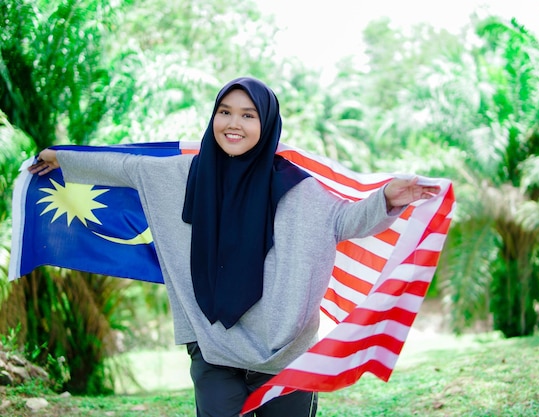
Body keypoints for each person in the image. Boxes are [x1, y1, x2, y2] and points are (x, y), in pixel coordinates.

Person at [28, 77, 441, 417]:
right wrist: (61, 158)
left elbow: (347, 221)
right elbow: (123, 166)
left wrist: (389, 196)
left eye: (248, 115)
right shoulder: (179, 175)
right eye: (225, 112)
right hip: (214, 349)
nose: (234, 123)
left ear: (268, 124)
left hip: (284, 353)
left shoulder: (300, 190)